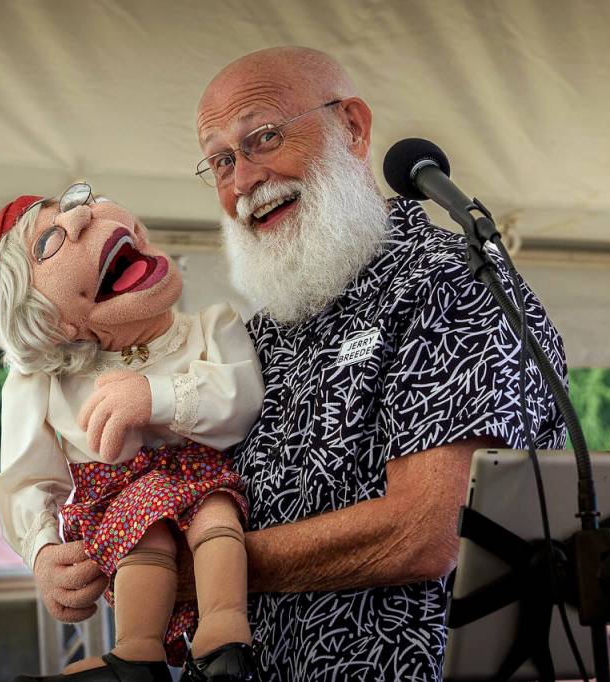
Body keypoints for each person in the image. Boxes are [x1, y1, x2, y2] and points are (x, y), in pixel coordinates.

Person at [190, 46, 569, 681]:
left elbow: (424, 533)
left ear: (353, 128)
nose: (244, 180)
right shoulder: (254, 337)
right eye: (221, 160)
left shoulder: (446, 280)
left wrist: (204, 573)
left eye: (264, 137)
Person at [0, 186, 265, 681]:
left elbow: (243, 401)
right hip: (116, 504)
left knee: (219, 518)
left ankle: (225, 640)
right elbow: (26, 478)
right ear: (52, 320)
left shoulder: (211, 325)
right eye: (50, 242)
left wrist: (157, 397)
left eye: (80, 203)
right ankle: (136, 657)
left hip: (204, 478)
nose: (82, 220)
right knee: (142, 528)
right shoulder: (41, 381)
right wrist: (43, 551)